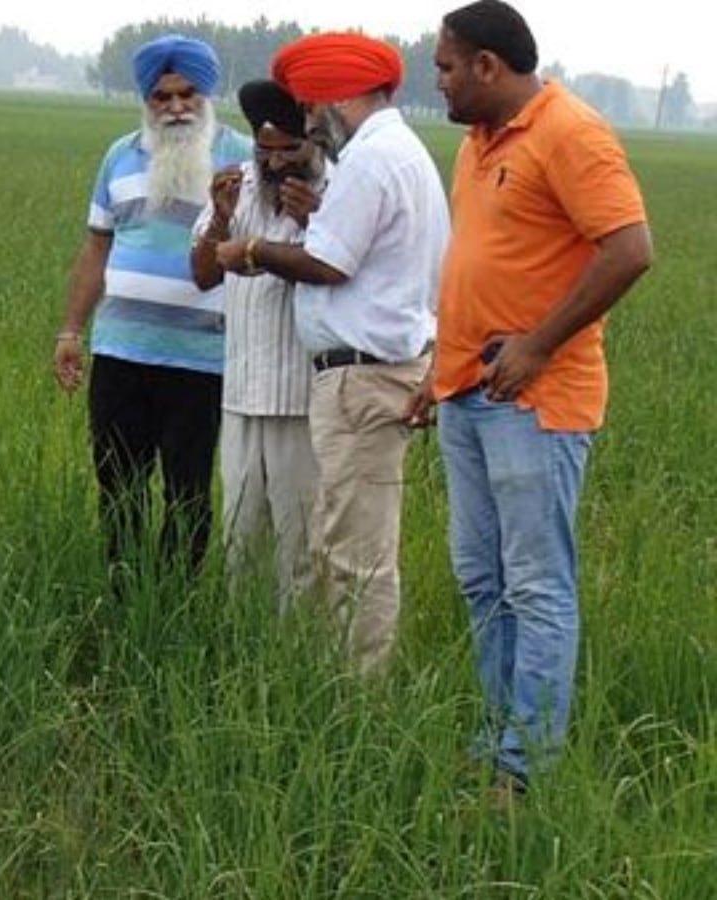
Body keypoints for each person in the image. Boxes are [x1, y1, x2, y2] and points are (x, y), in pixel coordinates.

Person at [405, 0, 653, 795]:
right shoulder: (477, 146)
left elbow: (631, 248)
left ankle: (524, 771)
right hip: (467, 392)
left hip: (535, 401)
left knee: (536, 587)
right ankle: (497, 741)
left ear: (487, 66)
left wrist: (540, 344)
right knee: (483, 578)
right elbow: (479, 267)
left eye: (446, 66)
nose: (436, 80)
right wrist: (434, 374)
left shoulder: (569, 132)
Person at [213, 33, 449, 674]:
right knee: (338, 546)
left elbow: (328, 263)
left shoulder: (372, 158)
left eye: (309, 106)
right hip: (365, 376)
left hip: (364, 378)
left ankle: (356, 705)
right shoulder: (394, 151)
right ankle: (329, 683)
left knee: (355, 559)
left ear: (332, 95)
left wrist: (253, 252)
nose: (308, 121)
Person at [54, 34, 252, 585]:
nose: (176, 108)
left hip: (202, 357)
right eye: (161, 98)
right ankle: (123, 594)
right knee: (118, 485)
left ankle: (176, 600)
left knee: (187, 491)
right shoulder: (120, 156)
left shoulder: (241, 156)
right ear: (146, 101)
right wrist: (70, 331)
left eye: (187, 94)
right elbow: (97, 247)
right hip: (121, 350)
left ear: (206, 95)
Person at [191, 79, 325, 608]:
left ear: (312, 142)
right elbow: (203, 275)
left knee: (301, 546)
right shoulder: (238, 185)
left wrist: (312, 220)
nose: (274, 165)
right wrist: (221, 219)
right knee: (240, 541)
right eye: (264, 150)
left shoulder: (334, 190)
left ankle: (297, 656)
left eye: (287, 150)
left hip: (304, 401)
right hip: (242, 394)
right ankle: (243, 646)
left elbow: (340, 268)